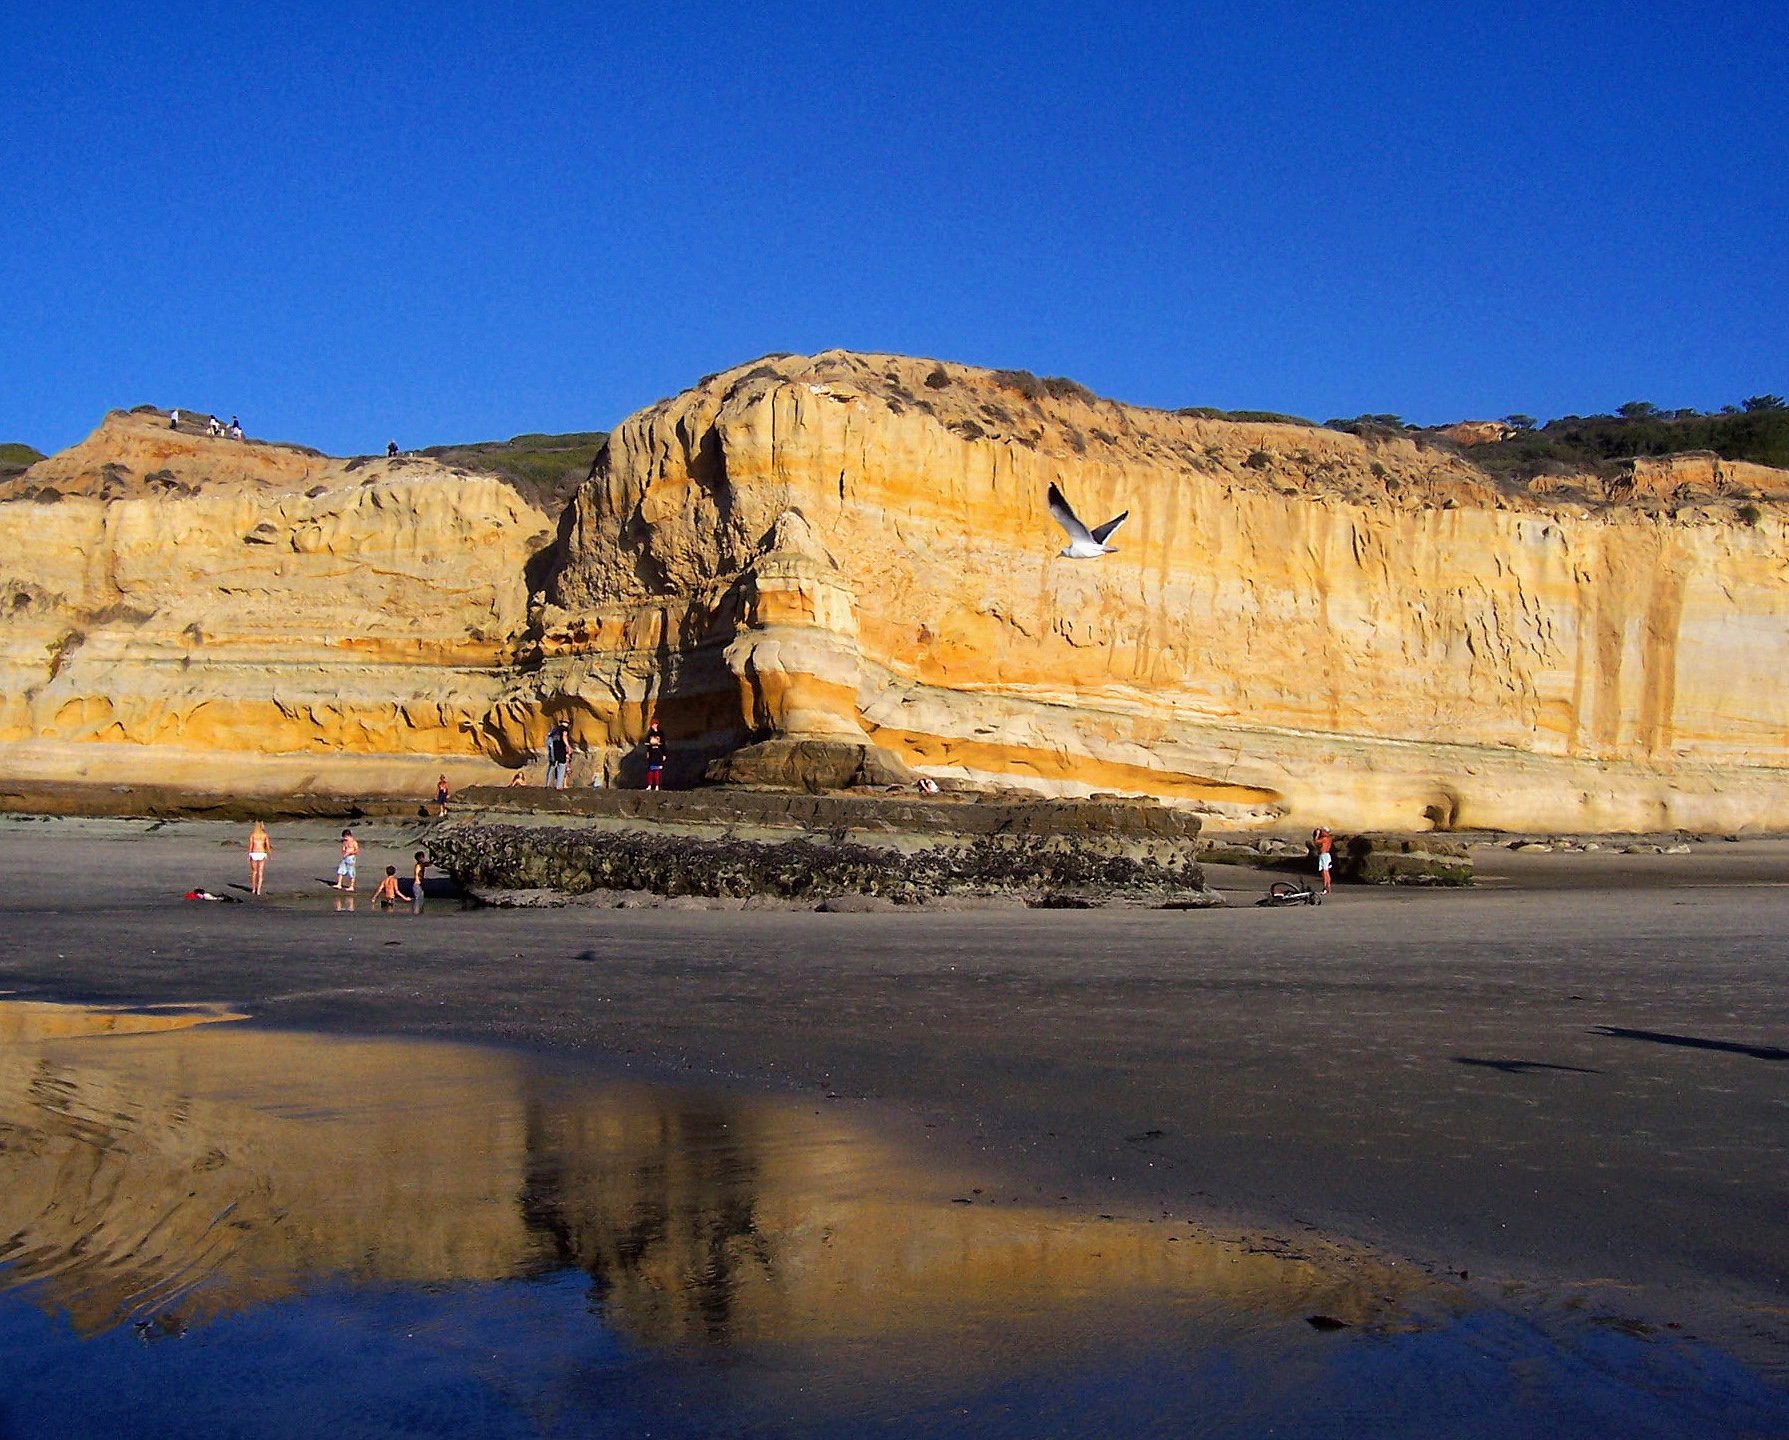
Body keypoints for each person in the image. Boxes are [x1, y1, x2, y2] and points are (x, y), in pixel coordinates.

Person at [246, 820, 271, 896]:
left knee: (254, 872)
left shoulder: (253, 835)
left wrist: (249, 854)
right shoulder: (265, 835)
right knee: (260, 872)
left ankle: (254, 889)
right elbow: (267, 846)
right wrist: (269, 854)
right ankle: (258, 890)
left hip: (254, 853)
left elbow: (251, 846)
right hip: (261, 853)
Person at [546, 721, 570, 790]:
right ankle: (559, 786)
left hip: (553, 750)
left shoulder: (554, 730)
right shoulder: (564, 729)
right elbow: (564, 736)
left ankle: (548, 784)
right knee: (561, 766)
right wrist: (568, 746)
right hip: (561, 750)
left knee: (552, 766)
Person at [1312, 826, 1335, 895]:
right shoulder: (1329, 838)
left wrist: (1317, 834)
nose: (1321, 832)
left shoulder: (1324, 838)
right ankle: (1328, 887)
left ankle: (1325, 888)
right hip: (1326, 855)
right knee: (1326, 872)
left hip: (1324, 855)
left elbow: (1315, 842)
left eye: (1322, 831)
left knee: (1325, 872)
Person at [644, 720, 665, 791]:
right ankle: (650, 785)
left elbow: (663, 745)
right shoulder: (650, 733)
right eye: (653, 724)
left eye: (655, 724)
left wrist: (664, 754)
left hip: (658, 753)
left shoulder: (661, 733)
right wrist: (648, 752)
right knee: (650, 770)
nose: (654, 726)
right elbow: (647, 743)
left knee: (657, 771)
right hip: (652, 753)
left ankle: (657, 785)